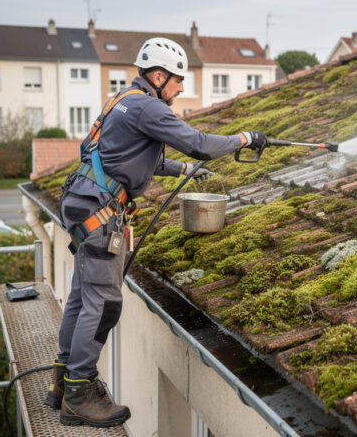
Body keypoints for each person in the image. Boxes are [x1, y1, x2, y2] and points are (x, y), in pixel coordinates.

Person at [44, 37, 268, 428]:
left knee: (82, 300)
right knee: (103, 305)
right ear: (159, 75)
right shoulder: (148, 105)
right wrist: (245, 139)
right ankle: (79, 395)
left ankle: (61, 385)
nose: (181, 89)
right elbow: (197, 143)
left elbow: (128, 154)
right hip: (99, 213)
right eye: (179, 80)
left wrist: (184, 171)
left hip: (81, 202)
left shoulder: (125, 100)